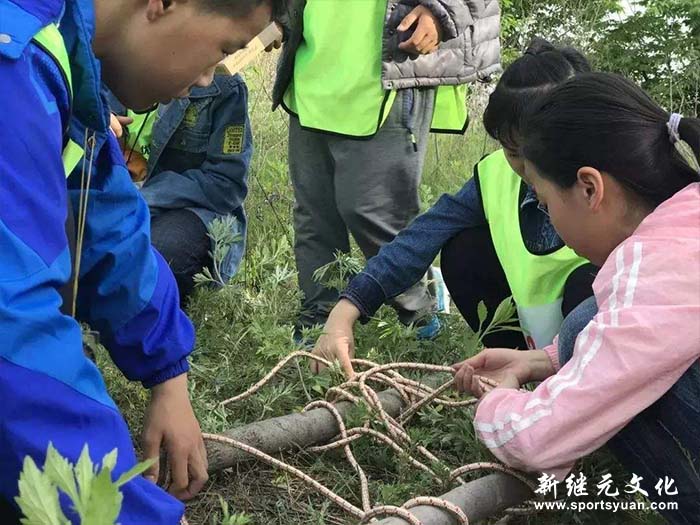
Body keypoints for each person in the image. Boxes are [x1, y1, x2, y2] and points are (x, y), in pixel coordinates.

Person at [0, 0, 282, 522]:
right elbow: (12, 336)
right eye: (221, 49)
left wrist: (168, 374)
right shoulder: (12, 63)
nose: (206, 79)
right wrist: (128, 512)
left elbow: (104, 212)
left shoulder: (64, 43)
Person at [453, 72, 700, 524]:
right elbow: (649, 328)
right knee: (584, 322)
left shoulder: (657, 266)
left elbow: (540, 438)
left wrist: (497, 400)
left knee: (594, 349)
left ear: (589, 188)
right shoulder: (687, 218)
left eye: (546, 203)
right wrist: (541, 360)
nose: (550, 220)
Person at [311, 39, 598, 378]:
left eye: (538, 151)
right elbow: (423, 236)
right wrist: (348, 307)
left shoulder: (616, 178)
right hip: (542, 349)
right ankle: (515, 369)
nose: (528, 168)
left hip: (603, 344)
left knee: (589, 287)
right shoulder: (495, 176)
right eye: (514, 153)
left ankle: (578, 384)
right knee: (464, 250)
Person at [273, 0, 502, 339]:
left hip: (393, 64)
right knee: (314, 212)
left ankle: (420, 313)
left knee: (375, 211)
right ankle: (319, 320)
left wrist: (441, 10)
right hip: (313, 61)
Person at [110, 71, 253, 303]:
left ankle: (161, 319)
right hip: (114, 202)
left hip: (190, 209)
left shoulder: (222, 85)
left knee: (154, 257)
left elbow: (226, 184)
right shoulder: (101, 69)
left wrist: (144, 198)